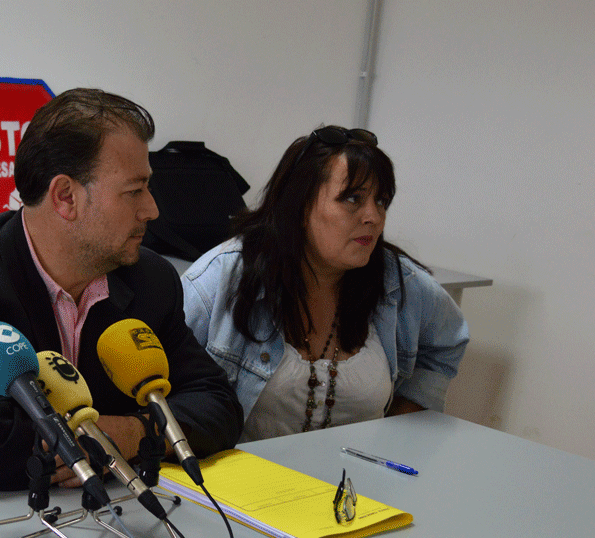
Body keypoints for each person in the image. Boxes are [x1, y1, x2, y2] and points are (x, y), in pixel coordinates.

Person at [0, 89, 243, 505]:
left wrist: (133, 433)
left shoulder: (150, 280)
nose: (152, 210)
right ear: (66, 196)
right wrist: (131, 435)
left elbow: (218, 405)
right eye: (134, 191)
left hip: (100, 513)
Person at [181, 126, 468, 442]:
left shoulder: (397, 283)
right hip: (242, 484)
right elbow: (165, 386)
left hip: (358, 485)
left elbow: (447, 340)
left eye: (382, 200)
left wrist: (400, 434)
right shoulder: (223, 278)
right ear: (300, 205)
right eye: (352, 198)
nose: (373, 216)